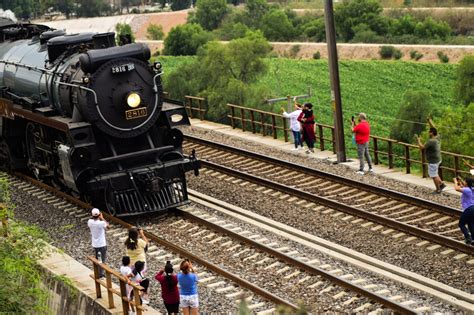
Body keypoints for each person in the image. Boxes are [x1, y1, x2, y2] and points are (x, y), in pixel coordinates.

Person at [416, 118, 446, 193]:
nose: (428, 133)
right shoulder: (438, 137)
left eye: (429, 132)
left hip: (433, 161)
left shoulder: (431, 141)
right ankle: (442, 184)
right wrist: (429, 121)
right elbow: (435, 128)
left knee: (433, 175)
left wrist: (418, 140)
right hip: (438, 159)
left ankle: (438, 189)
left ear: (431, 133)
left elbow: (422, 147)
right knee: (435, 173)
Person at [87, 208, 109, 278]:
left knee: (97, 258)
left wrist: (97, 216)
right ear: (99, 214)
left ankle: (98, 273)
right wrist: (102, 218)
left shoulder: (90, 222)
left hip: (95, 244)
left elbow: (92, 219)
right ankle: (101, 275)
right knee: (102, 259)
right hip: (102, 244)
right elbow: (108, 226)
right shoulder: (101, 223)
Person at [453, 177, 474, 245]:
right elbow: (462, 186)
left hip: (469, 209)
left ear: (467, 183)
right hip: (472, 208)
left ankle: (468, 237)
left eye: (464, 181)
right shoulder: (471, 189)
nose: (463, 182)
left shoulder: (467, 190)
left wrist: (455, 181)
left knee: (461, 224)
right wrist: (460, 180)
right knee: (471, 224)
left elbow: (457, 188)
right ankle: (473, 239)